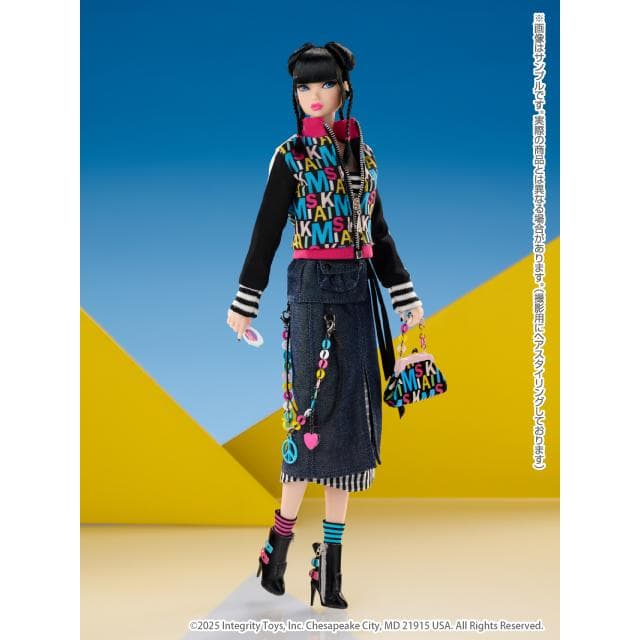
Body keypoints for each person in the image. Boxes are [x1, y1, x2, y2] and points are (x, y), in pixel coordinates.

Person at [226, 41, 424, 608]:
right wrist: (245, 301)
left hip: (359, 295)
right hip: (312, 293)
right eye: (304, 87)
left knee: (354, 428)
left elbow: (378, 234)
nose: (314, 96)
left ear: (344, 89)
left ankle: (330, 566)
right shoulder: (289, 157)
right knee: (307, 420)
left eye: (325, 85)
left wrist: (404, 295)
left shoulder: (365, 156)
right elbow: (266, 233)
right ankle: (278, 545)